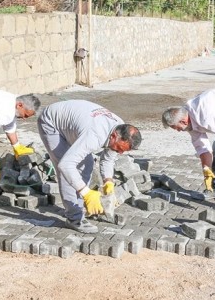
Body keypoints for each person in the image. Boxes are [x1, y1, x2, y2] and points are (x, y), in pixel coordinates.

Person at [37, 100, 142, 233]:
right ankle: (74, 218)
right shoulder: (95, 136)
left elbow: (108, 159)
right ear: (114, 136)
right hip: (51, 122)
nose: (120, 153)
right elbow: (66, 165)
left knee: (88, 164)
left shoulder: (119, 128)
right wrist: (87, 193)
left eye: (123, 151)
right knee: (65, 166)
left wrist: (108, 182)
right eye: (120, 148)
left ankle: (80, 205)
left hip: (73, 123)